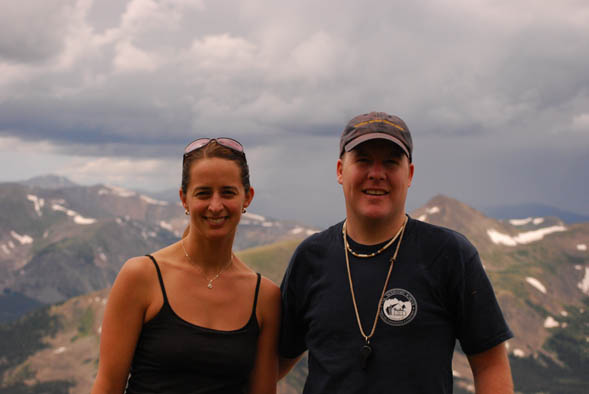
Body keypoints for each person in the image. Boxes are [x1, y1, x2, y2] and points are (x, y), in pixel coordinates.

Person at [278, 112, 514, 393]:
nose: (376, 174)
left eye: (391, 162)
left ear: (409, 174)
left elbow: (490, 363)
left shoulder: (450, 255)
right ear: (341, 170)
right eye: (363, 160)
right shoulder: (310, 258)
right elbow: (276, 361)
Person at [92, 138, 281, 394]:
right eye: (203, 193)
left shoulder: (265, 297)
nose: (216, 206)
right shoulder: (141, 277)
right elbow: (107, 387)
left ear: (247, 198)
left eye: (228, 192)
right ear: (184, 199)